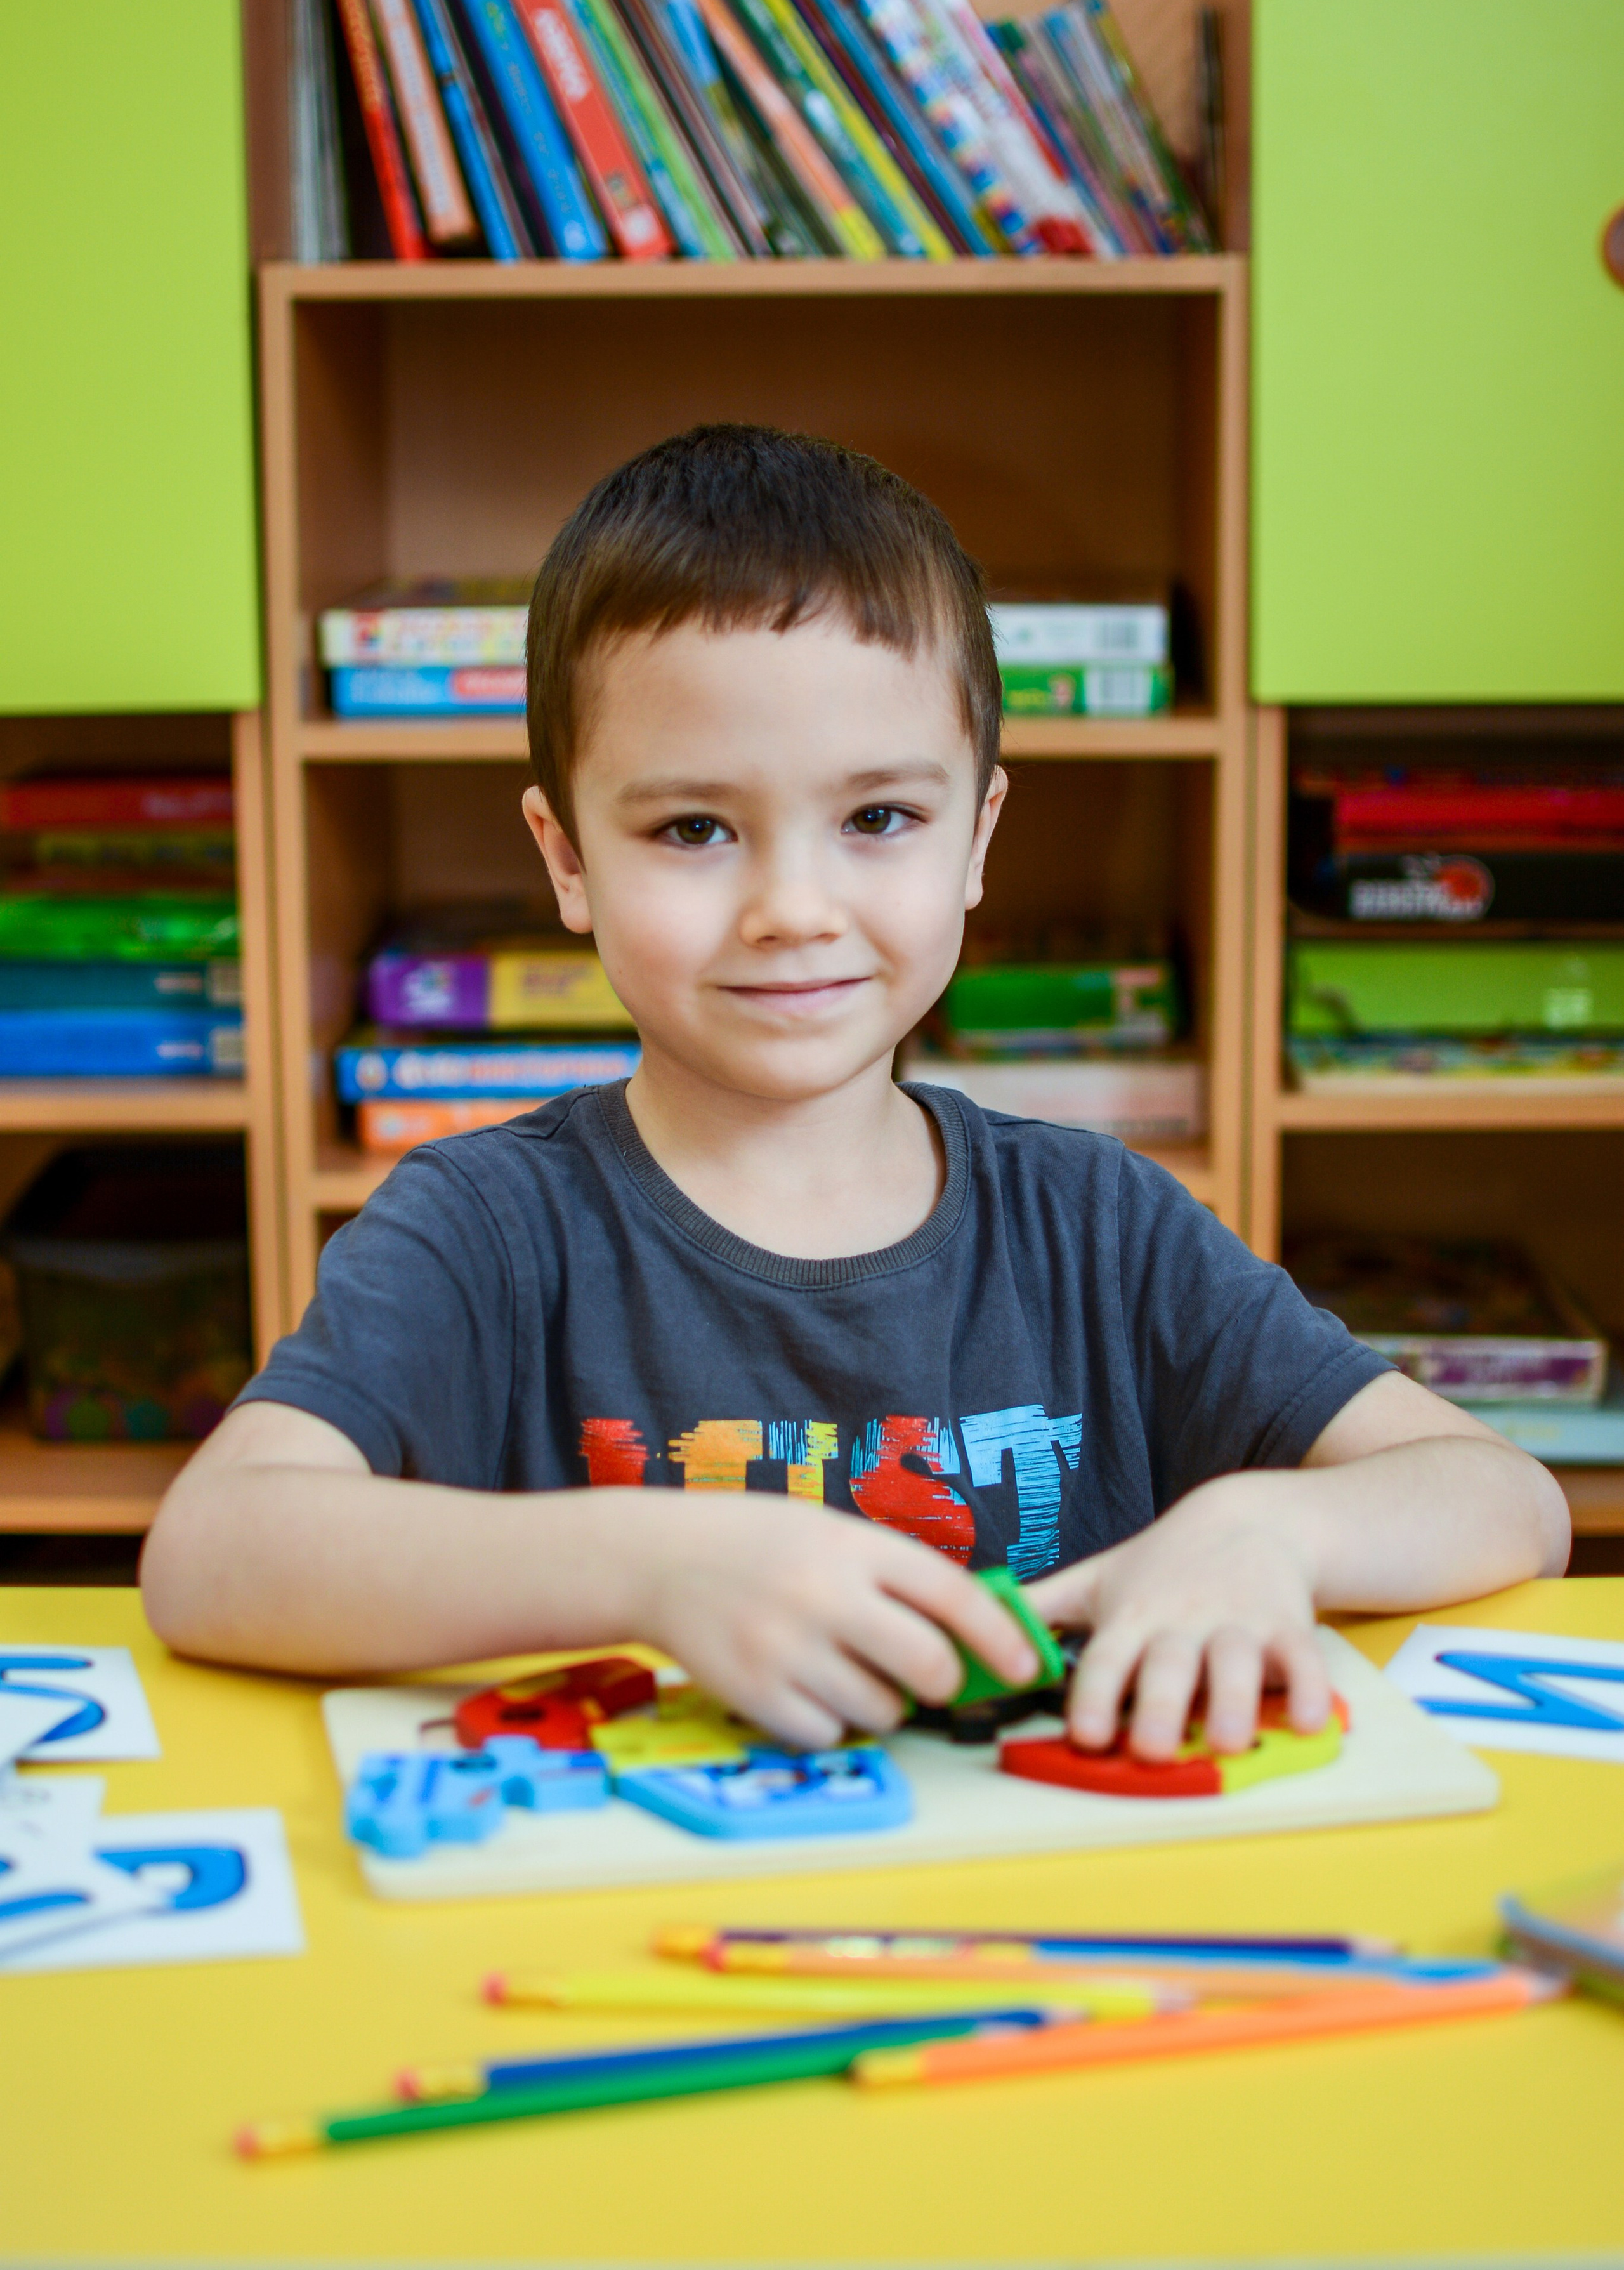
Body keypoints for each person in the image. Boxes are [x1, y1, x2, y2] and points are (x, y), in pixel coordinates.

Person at [141, 426, 1568, 1759]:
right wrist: (655, 1562)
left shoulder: (1097, 1225)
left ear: (974, 834)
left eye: (877, 817)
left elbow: (1503, 1498)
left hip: (1036, 1933)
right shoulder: (486, 1226)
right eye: (693, 826)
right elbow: (213, 1552)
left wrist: (1268, 1533)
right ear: (566, 856)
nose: (791, 907)